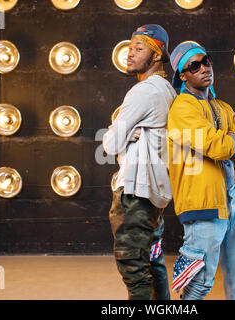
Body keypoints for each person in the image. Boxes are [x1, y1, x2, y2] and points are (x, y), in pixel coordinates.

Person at [166, 42, 235, 300]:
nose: (204, 68)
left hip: (234, 198)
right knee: (199, 284)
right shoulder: (183, 108)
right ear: (183, 75)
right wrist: (232, 141)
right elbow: (215, 145)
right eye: (195, 65)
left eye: (206, 61)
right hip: (203, 202)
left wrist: (232, 143)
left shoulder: (224, 108)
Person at [102, 24, 177, 300]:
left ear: (157, 56)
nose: (130, 53)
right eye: (130, 47)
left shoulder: (142, 92)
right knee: (153, 261)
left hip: (135, 192)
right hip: (154, 193)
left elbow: (109, 144)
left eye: (139, 48)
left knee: (133, 266)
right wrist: (124, 133)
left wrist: (118, 131)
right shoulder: (168, 90)